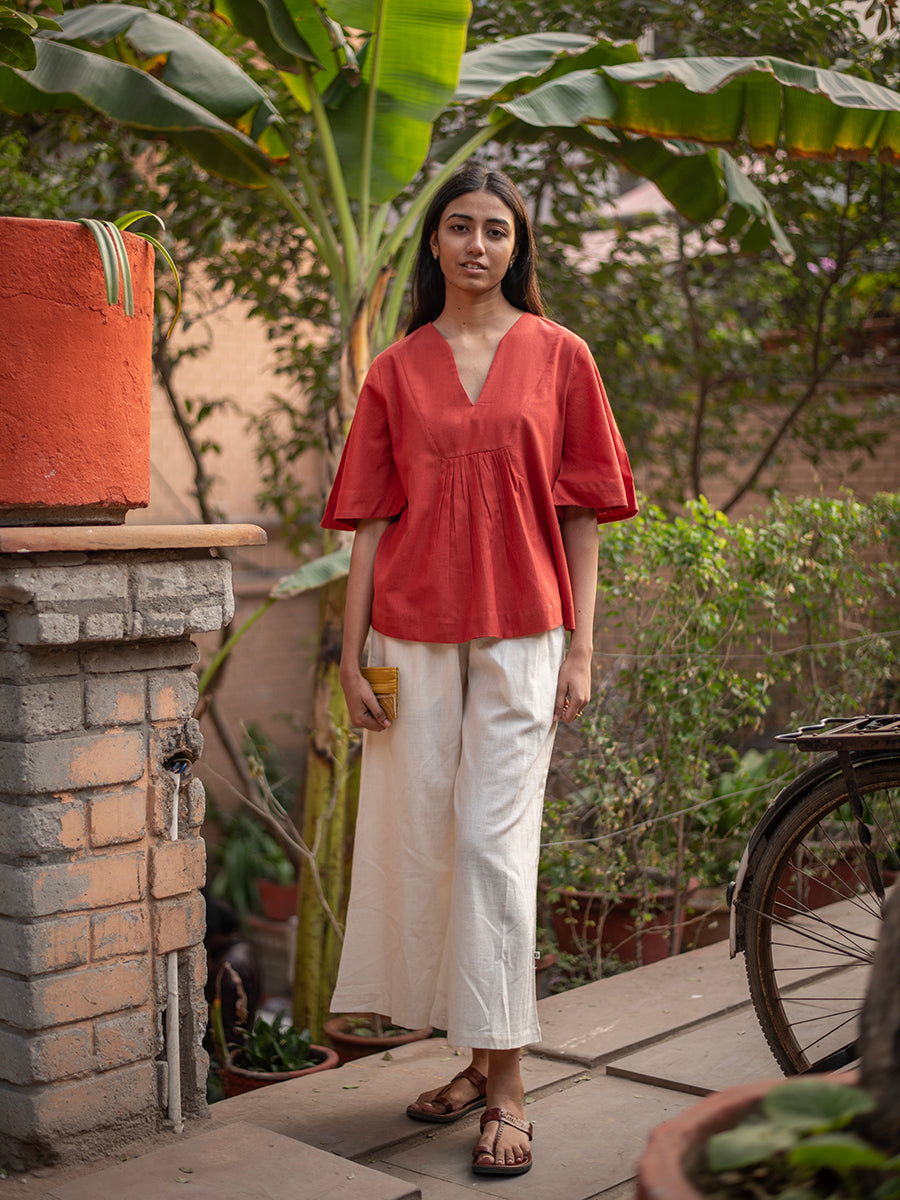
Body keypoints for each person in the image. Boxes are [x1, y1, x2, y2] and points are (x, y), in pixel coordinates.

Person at [321, 163, 636, 1176]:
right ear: (435, 243)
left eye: (496, 230)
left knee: (496, 849)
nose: (476, 246)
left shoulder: (561, 357)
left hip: (525, 632)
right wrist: (346, 651)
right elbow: (369, 522)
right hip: (408, 633)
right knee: (423, 844)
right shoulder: (394, 368)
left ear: (517, 247)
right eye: (459, 227)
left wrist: (583, 647)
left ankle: (508, 1085)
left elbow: (584, 514)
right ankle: (471, 1055)